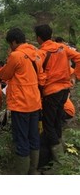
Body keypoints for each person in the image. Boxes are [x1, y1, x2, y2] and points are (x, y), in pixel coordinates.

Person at [0, 28, 42, 174]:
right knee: (34, 136)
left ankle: (22, 174)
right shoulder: (36, 53)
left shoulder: (16, 55)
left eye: (10, 44)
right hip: (35, 102)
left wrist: (2, 66)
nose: (10, 46)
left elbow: (5, 75)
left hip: (21, 104)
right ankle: (33, 170)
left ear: (14, 42)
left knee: (21, 138)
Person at [34, 24, 80, 164]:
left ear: (38, 38)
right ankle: (61, 152)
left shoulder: (41, 53)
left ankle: (59, 157)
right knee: (57, 120)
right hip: (64, 90)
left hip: (51, 92)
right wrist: (75, 76)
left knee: (49, 124)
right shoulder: (62, 48)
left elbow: (40, 76)